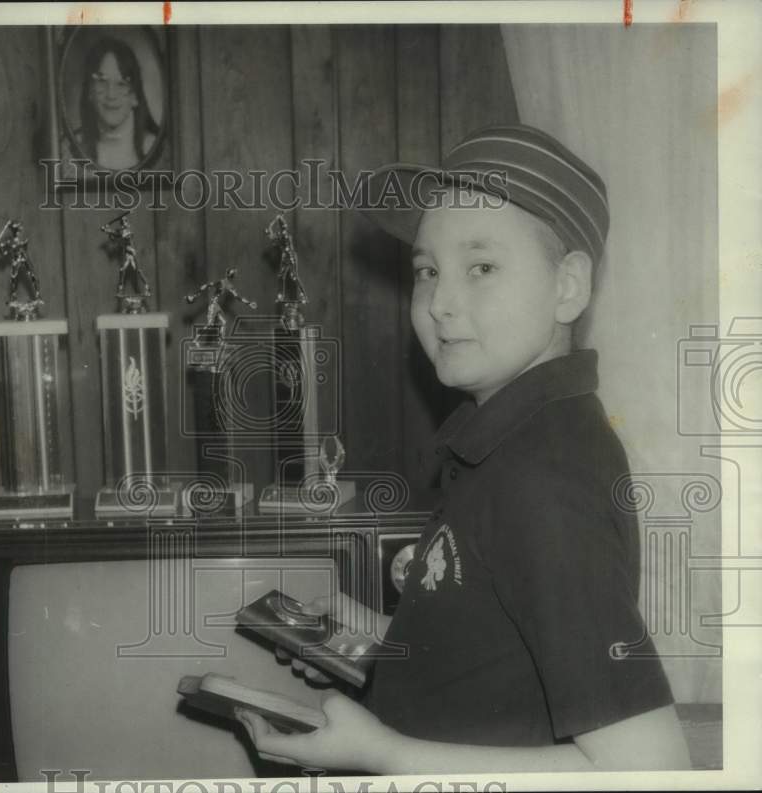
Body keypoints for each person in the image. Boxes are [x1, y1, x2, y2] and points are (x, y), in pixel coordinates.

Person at [236, 124, 691, 773]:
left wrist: (384, 753)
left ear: (568, 286)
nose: (440, 303)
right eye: (427, 270)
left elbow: (650, 770)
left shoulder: (544, 478)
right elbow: (503, 651)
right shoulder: (512, 440)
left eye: (481, 267)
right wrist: (379, 634)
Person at [75, 36, 160, 171]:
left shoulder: (156, 148)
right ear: (89, 92)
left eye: (121, 84)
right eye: (102, 82)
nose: (111, 94)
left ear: (135, 96)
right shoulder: (73, 147)